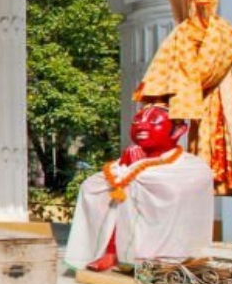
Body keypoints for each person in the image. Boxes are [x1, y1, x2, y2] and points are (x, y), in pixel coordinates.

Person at [64, 104, 216, 273]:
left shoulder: (192, 166)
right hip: (131, 182)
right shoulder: (128, 159)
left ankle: (148, 258)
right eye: (137, 121)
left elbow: (173, 192)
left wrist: (136, 170)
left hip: (172, 241)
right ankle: (112, 252)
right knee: (106, 191)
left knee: (132, 190)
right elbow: (92, 186)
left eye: (153, 121)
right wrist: (126, 165)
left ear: (178, 130)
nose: (141, 126)